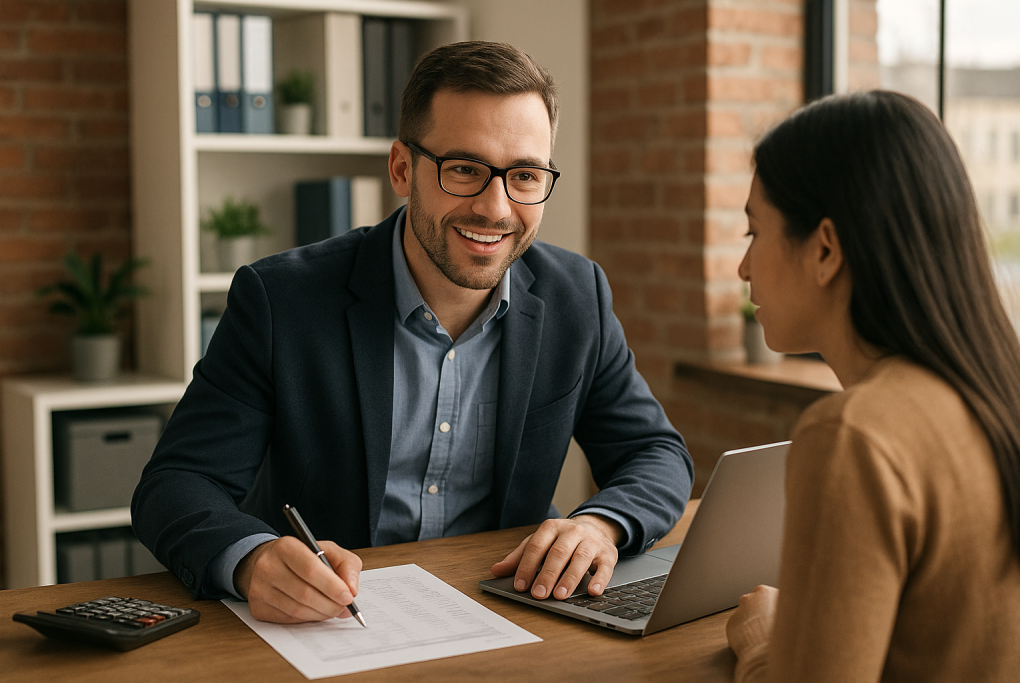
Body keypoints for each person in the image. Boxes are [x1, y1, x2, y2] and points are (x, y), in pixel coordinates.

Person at [132, 41, 693, 624]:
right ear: (402, 168)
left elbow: (656, 452)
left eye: (524, 175)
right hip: (333, 621)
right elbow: (176, 483)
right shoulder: (282, 300)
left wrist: (601, 525)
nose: (496, 208)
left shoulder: (577, 296)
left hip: (509, 610)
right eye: (465, 170)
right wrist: (251, 560)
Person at [725, 90, 1020, 682]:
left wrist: (764, 641)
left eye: (754, 233)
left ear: (826, 249)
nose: (744, 267)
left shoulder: (855, 436)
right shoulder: (994, 392)